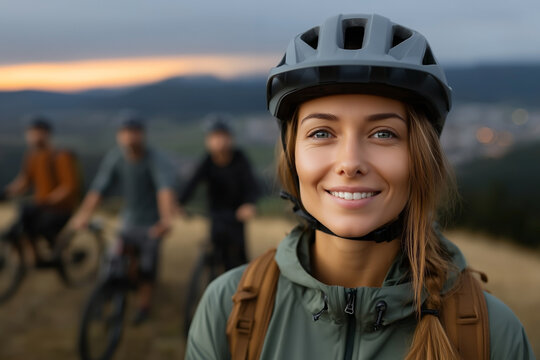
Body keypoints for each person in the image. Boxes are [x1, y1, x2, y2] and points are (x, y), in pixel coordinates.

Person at [185, 14, 535, 359]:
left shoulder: (491, 336)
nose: (350, 162)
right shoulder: (229, 309)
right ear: (292, 157)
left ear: (421, 159)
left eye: (384, 133)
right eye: (321, 133)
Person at [69, 115, 176, 325]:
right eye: (125, 132)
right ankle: (105, 297)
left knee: (147, 267)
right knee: (112, 259)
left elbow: (164, 190)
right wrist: (83, 216)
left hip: (151, 223)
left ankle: (144, 305)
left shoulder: (154, 159)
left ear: (142, 135)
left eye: (134, 132)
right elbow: (98, 189)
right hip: (127, 219)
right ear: (119, 136)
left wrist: (165, 220)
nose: (129, 137)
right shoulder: (116, 157)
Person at [178, 117, 259, 271]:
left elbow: (252, 185)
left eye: (223, 136)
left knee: (239, 260)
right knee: (215, 252)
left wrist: (250, 204)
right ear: (207, 140)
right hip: (215, 214)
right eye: (214, 137)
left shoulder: (240, 159)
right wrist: (179, 203)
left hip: (236, 216)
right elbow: (192, 183)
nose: (219, 141)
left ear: (230, 139)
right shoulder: (207, 161)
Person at [1, 116, 80, 262]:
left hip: (60, 209)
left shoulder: (61, 156)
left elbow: (69, 186)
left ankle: (49, 257)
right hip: (42, 207)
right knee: (17, 228)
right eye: (31, 133)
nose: (34, 136)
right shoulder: (32, 156)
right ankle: (34, 260)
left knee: (33, 228)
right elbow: (24, 181)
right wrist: (6, 192)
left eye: (38, 132)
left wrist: (49, 200)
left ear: (47, 134)